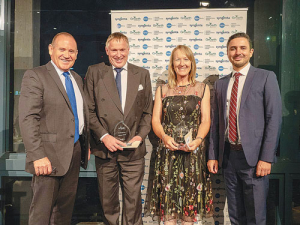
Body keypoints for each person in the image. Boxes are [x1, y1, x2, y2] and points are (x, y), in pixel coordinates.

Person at [207, 32, 282, 225]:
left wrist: (266, 158)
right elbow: (216, 123)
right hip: (229, 158)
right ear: (227, 53)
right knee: (235, 215)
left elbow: (273, 119)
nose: (237, 52)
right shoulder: (221, 83)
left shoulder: (266, 77)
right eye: (233, 48)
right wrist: (213, 155)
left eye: (242, 48)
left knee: (256, 216)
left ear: (251, 52)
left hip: (255, 159)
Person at [19, 32, 90, 225]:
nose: (67, 55)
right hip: (47, 157)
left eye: (71, 51)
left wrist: (85, 143)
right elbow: (27, 118)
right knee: (41, 215)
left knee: (63, 214)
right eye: (62, 49)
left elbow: (77, 115)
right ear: (51, 50)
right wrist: (37, 155)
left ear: (76, 54)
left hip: (73, 154)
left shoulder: (76, 78)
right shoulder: (36, 76)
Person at [84, 32, 153, 225]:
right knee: (108, 204)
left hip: (133, 151)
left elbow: (148, 112)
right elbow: (88, 111)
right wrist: (104, 136)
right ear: (107, 51)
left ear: (128, 50)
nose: (118, 54)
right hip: (105, 149)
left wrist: (139, 136)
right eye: (114, 50)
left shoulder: (142, 74)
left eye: (122, 49)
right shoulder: (94, 72)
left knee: (133, 204)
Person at [146, 45, 213, 225]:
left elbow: (206, 120)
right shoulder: (162, 89)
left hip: (193, 153)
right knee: (169, 208)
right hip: (168, 153)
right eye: (177, 59)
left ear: (191, 63)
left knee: (189, 210)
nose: (182, 63)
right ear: (172, 64)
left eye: (186, 59)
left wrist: (198, 140)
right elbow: (155, 121)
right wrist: (164, 138)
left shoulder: (202, 88)